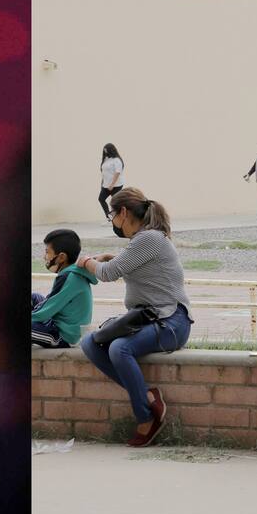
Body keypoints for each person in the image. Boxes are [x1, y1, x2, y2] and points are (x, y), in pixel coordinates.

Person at [77, 188, 192, 447]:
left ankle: (146, 417)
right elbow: (124, 265)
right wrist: (110, 258)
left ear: (124, 213)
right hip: (147, 318)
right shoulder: (144, 240)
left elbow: (107, 274)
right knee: (89, 343)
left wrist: (85, 262)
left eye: (112, 217)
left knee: (119, 348)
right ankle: (149, 397)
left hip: (172, 321)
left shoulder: (150, 238)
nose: (113, 224)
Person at [31, 229, 95, 348]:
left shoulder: (68, 277)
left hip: (64, 336)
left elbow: (47, 309)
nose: (45, 257)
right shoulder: (73, 273)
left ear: (61, 257)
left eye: (47, 252)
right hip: (60, 323)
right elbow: (50, 303)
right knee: (34, 297)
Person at [98, 143, 125, 219]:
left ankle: (117, 218)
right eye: (104, 151)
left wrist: (112, 184)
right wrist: (102, 183)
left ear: (111, 150)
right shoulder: (106, 160)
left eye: (106, 151)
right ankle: (109, 217)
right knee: (101, 199)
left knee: (115, 202)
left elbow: (117, 172)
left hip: (116, 185)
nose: (105, 153)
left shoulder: (117, 160)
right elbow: (104, 172)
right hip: (106, 185)